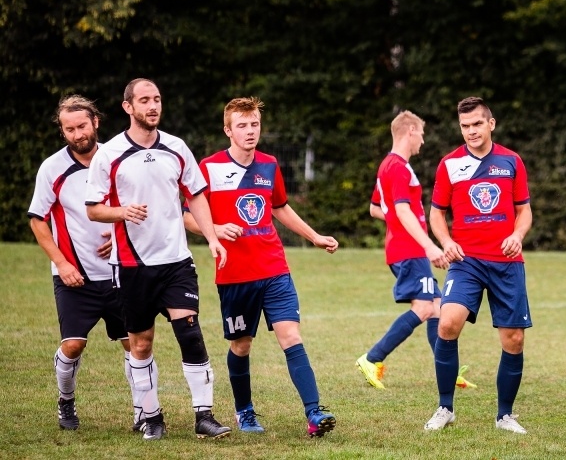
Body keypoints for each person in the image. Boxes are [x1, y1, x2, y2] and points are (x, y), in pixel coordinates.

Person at [85, 78, 231, 441]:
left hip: (176, 261)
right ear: (128, 107)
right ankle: (151, 417)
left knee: (190, 332)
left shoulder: (177, 148)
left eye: (157, 100)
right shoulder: (110, 154)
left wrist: (211, 237)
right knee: (142, 343)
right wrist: (121, 211)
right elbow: (93, 210)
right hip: (131, 266)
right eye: (145, 100)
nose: (153, 106)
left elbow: (196, 196)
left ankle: (205, 416)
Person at [183, 96, 337, 437]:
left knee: (291, 336)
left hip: (274, 267)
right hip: (234, 274)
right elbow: (186, 215)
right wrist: (216, 230)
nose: (250, 131)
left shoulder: (269, 165)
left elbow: (280, 207)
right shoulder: (208, 167)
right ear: (228, 130)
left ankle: (314, 413)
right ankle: (245, 411)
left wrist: (314, 236)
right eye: (242, 125)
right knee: (241, 345)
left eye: (254, 124)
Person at [28, 95, 139, 431]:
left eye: (82, 126)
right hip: (75, 276)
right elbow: (37, 220)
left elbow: (137, 207)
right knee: (73, 345)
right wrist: (62, 264)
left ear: (96, 122)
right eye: (69, 129)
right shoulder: (52, 168)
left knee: (136, 343)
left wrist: (121, 234)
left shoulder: (118, 159)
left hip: (121, 271)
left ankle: (143, 411)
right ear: (63, 132)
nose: (77, 134)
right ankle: (66, 401)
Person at [423, 96, 533, 434]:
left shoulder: (512, 161)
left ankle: (505, 416)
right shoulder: (450, 164)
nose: (470, 131)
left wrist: (517, 234)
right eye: (465, 126)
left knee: (513, 339)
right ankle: (445, 407)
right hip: (466, 261)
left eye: (476, 124)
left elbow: (524, 209)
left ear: (491, 124)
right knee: (447, 324)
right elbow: (436, 213)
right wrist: (446, 242)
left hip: (506, 261)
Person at [357, 110, 476, 390]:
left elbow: (377, 208)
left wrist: (401, 223)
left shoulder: (387, 165)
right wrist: (429, 246)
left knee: (436, 309)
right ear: (410, 130)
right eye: (421, 133)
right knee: (424, 307)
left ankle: (448, 371)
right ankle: (372, 358)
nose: (422, 140)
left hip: (404, 247)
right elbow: (399, 208)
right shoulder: (398, 167)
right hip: (409, 250)